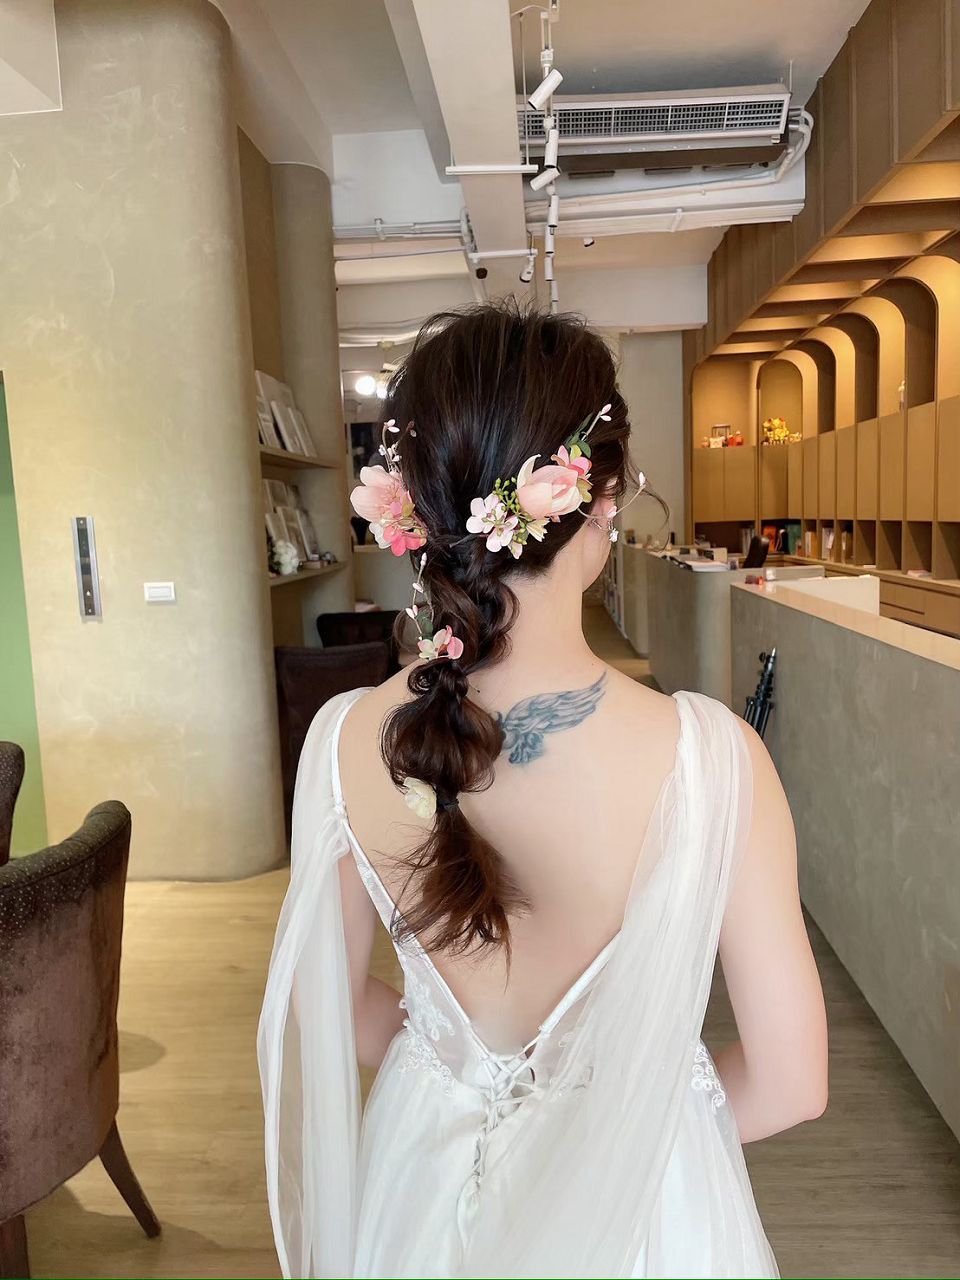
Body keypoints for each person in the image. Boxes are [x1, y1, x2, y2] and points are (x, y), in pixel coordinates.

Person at [258, 303, 828, 1279]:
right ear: (597, 498)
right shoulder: (713, 759)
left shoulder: (342, 739)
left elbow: (331, 1003)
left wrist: (455, 1079)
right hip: (637, 1211)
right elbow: (790, 1082)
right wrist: (607, 1142)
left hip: (425, 1181)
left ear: (414, 510)